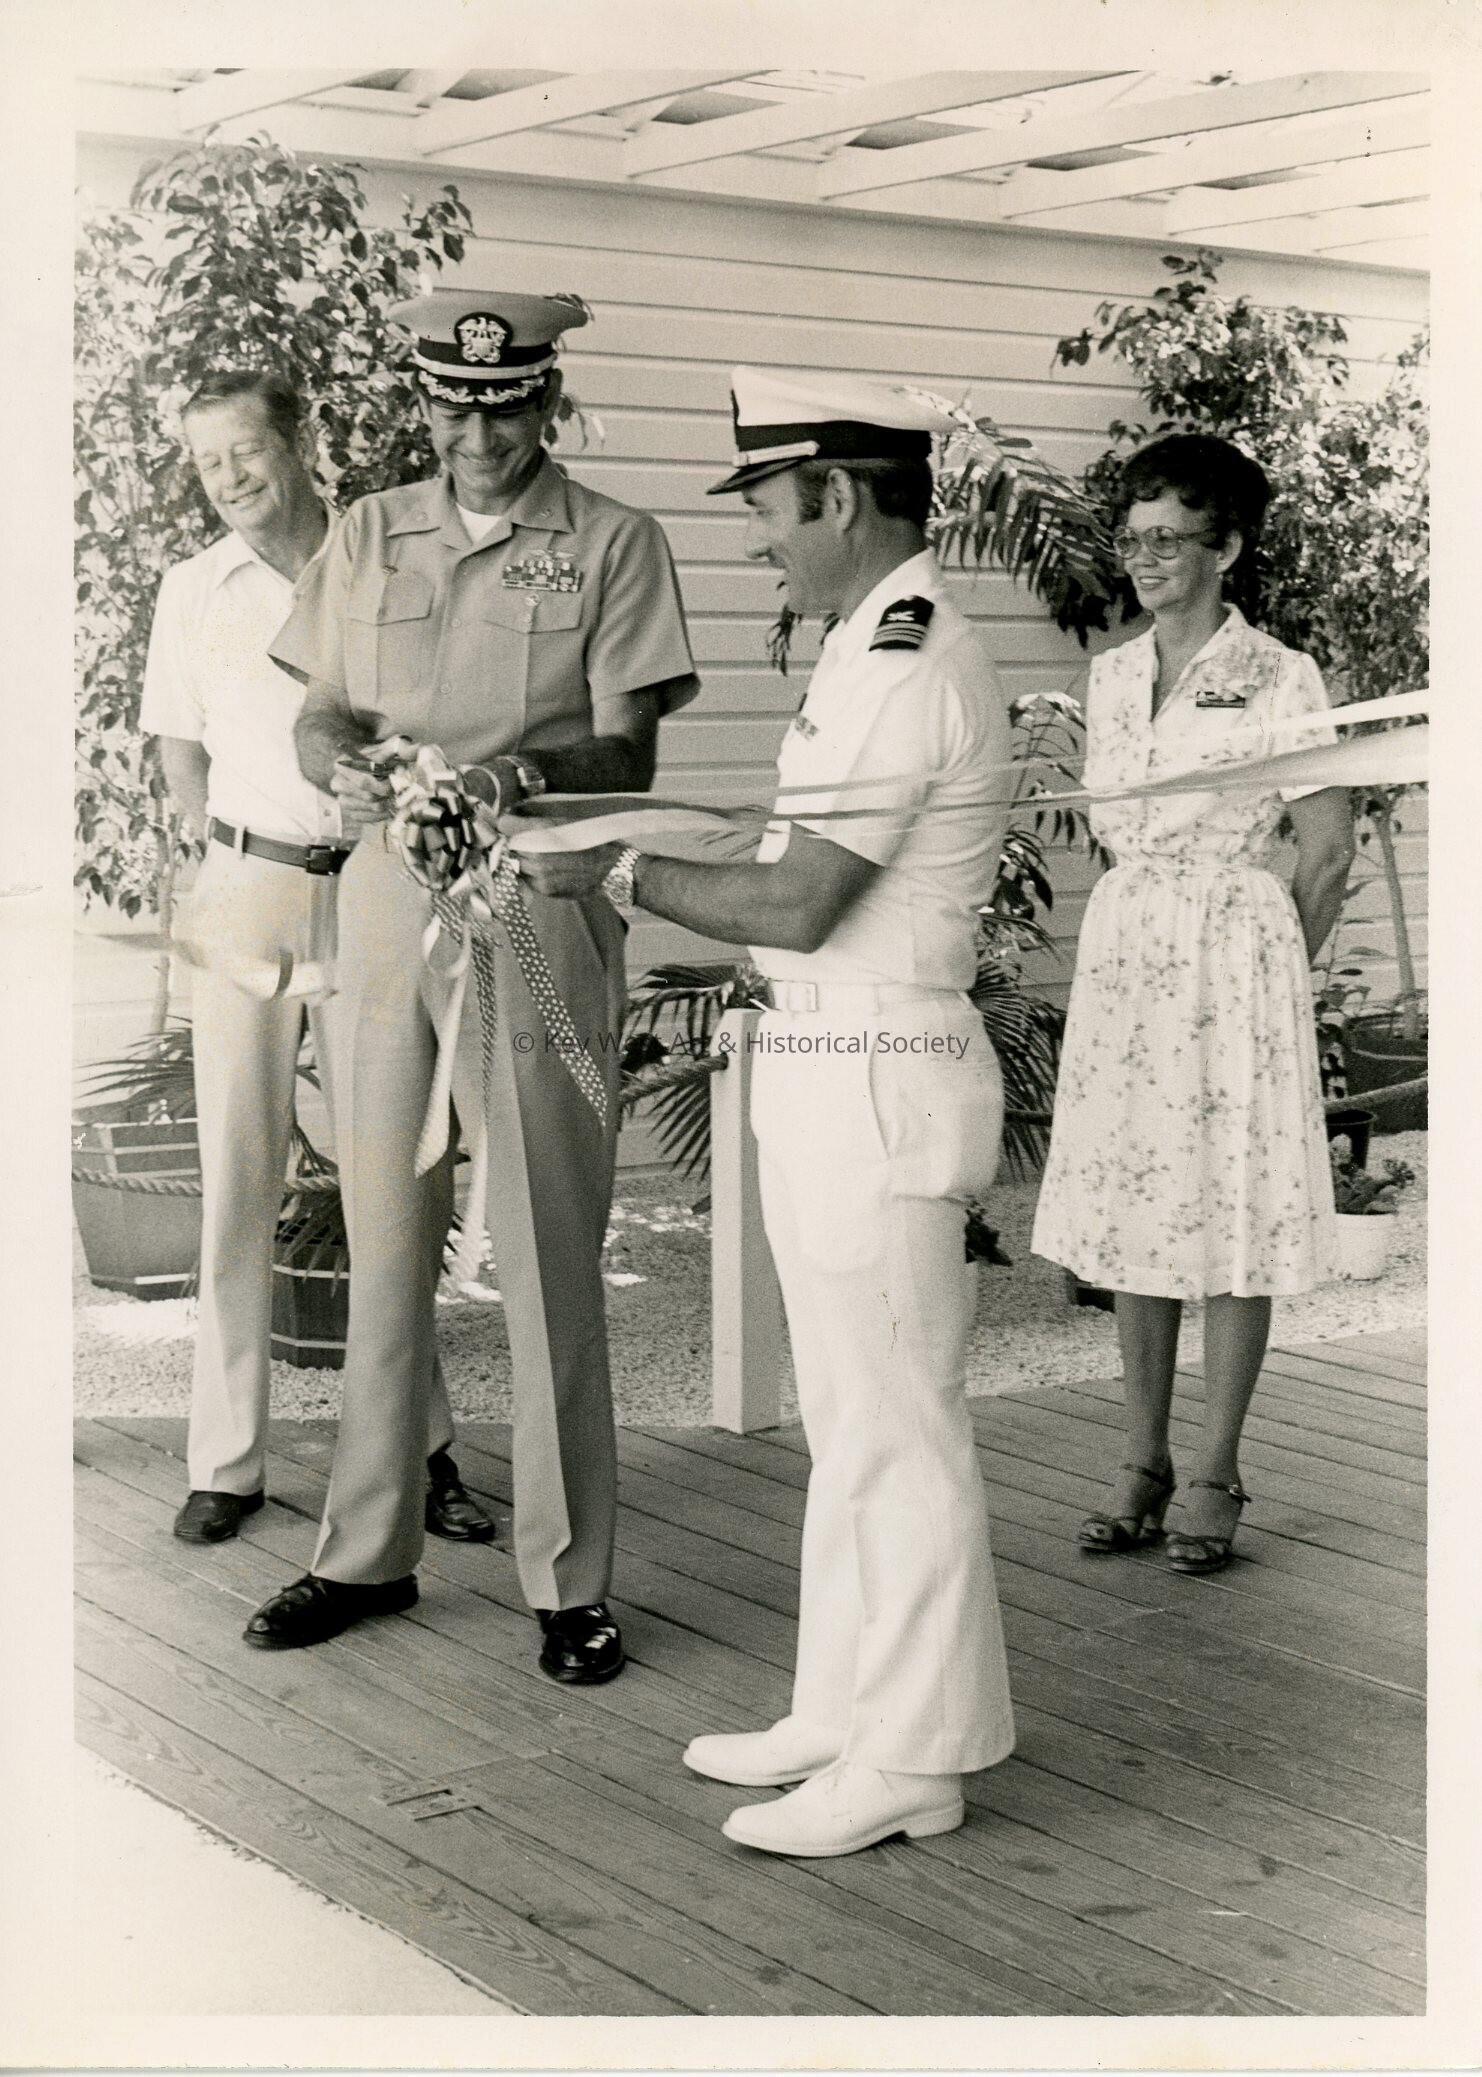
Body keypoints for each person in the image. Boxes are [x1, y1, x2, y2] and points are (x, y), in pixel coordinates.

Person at [522, 366, 1016, 1858]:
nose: (761, 539)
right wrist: (617, 830)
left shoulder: (909, 660)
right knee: (851, 1419)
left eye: (772, 507)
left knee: (898, 1426)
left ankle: (914, 1759)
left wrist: (615, 873)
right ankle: (845, 1709)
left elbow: (801, 901)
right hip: (829, 1060)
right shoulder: (866, 646)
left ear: (841, 494)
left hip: (879, 1062)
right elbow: (782, 856)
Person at [247, 291, 699, 1677]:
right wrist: (338, 758)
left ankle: (570, 1580)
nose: (481, 435)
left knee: (549, 1240)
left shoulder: (614, 542)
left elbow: (630, 750)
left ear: (546, 403)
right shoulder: (368, 532)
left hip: (536, 902)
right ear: (428, 407)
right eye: (456, 407)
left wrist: (511, 777)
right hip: (391, 905)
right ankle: (364, 1552)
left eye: (507, 408)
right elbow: (320, 704)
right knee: (383, 1229)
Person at [141, 370, 494, 1551]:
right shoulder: (192, 590)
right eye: (208, 462)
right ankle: (225, 1460)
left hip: (380, 888)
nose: (229, 477)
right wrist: (218, 863)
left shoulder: (387, 561)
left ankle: (418, 1448)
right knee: (239, 1174)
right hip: (250, 890)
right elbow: (179, 754)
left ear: (297, 443)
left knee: (390, 1185)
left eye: (244, 449)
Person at [1031, 433, 1355, 1574]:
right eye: (1134, 537)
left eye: (1172, 538)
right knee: (1135, 1202)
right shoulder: (1113, 674)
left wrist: (1270, 982)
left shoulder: (1280, 674)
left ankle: (1216, 1469)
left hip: (1234, 962)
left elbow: (1325, 850)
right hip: (1131, 957)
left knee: (1231, 1209)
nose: (1146, 557)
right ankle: (1142, 1460)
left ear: (1228, 547)